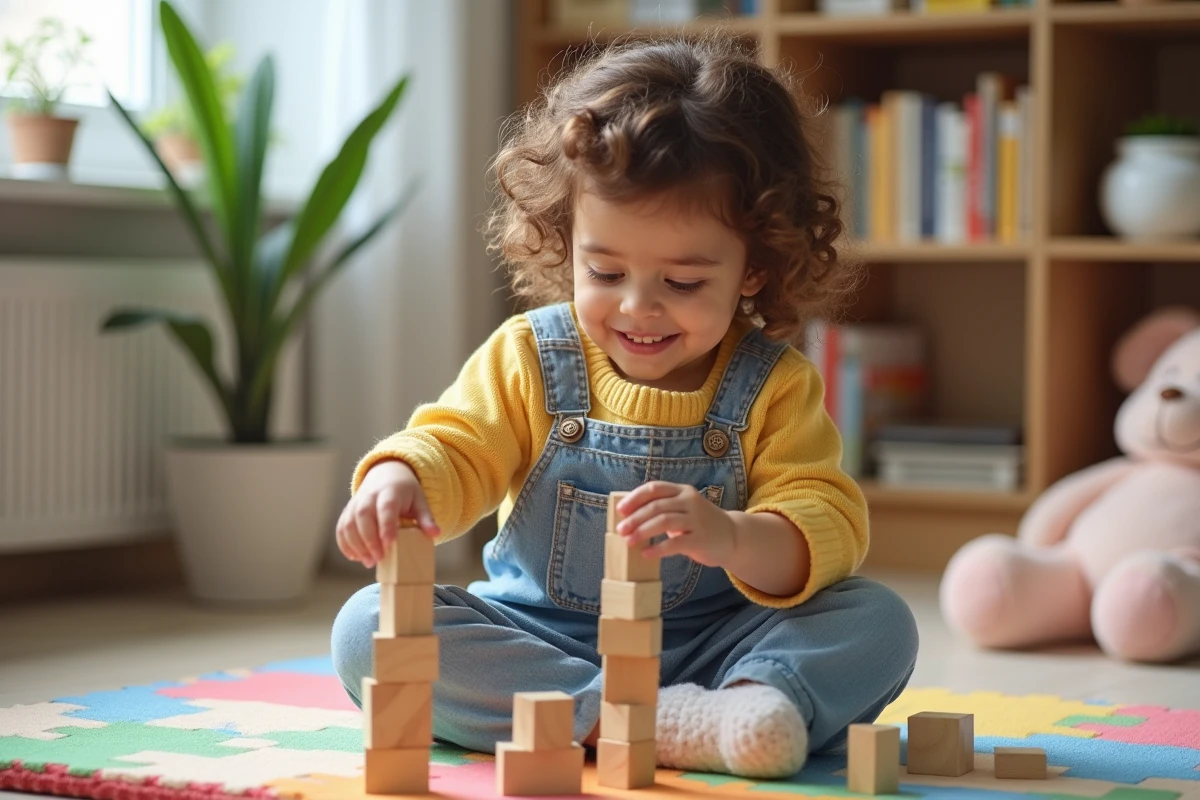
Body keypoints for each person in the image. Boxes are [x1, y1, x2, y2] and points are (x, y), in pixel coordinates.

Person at [331, 32, 918, 779]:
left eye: (681, 283)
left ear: (752, 269)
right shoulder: (531, 356)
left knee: (878, 621)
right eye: (605, 271)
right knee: (367, 629)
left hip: (716, 648)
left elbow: (823, 518)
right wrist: (400, 480)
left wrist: (734, 537)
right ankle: (626, 717)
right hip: (545, 644)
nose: (639, 309)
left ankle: (752, 700)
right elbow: (458, 443)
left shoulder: (773, 383)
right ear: (566, 239)